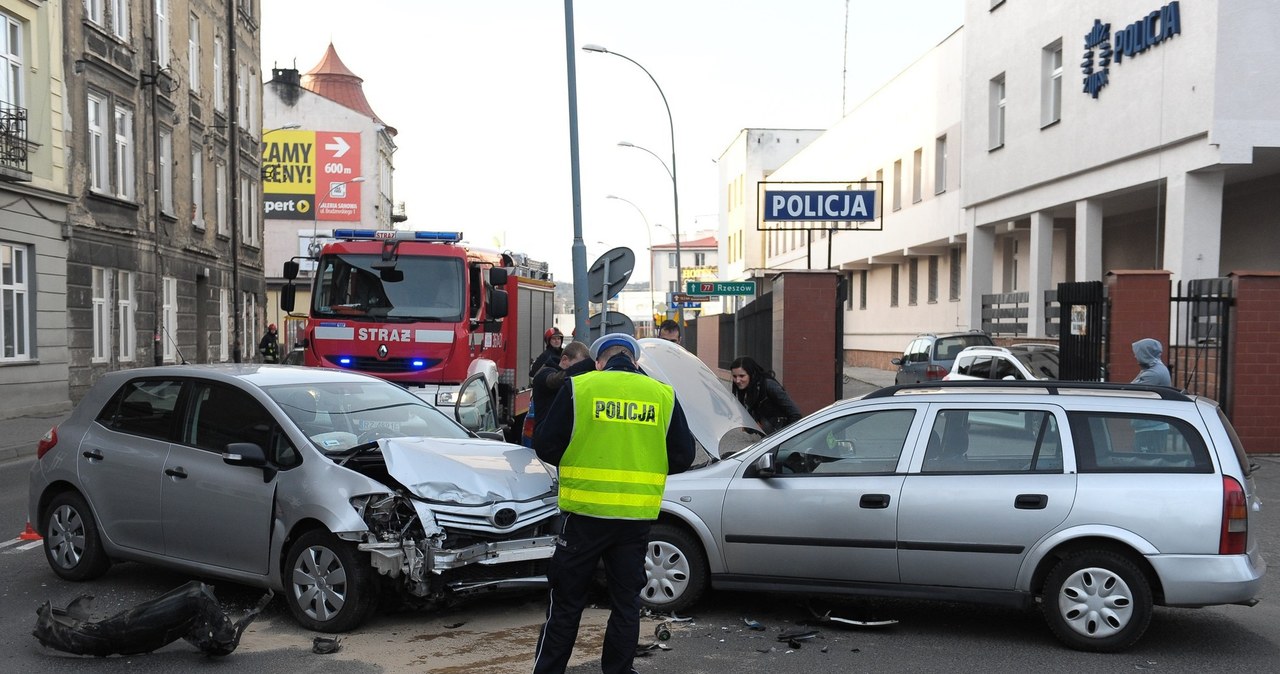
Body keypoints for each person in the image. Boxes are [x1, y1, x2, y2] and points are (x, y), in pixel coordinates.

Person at [531, 333, 695, 674]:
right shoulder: (662, 394)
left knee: (566, 604)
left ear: (600, 362)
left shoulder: (581, 388)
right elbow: (683, 455)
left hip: (583, 517)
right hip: (635, 520)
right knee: (625, 605)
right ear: (635, 362)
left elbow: (545, 446)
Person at [530, 341, 594, 433]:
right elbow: (555, 380)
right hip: (548, 440)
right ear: (564, 360)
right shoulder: (543, 373)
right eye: (578, 364)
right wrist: (588, 363)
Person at [730, 356, 802, 434]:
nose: (737, 380)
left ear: (752, 374)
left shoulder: (769, 385)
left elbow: (795, 415)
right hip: (768, 438)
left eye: (742, 376)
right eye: (734, 376)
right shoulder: (746, 391)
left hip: (781, 438)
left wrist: (784, 436)